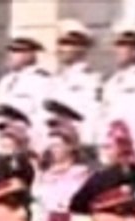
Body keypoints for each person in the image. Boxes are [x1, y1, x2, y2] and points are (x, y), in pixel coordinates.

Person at [51, 20, 102, 150]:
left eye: (67, 43)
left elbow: (93, 118)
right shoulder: (55, 80)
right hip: (56, 146)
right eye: (60, 43)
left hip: (78, 147)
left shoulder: (90, 80)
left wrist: (86, 148)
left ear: (81, 48)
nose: (60, 49)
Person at [101, 22, 135, 142]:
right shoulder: (111, 83)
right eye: (117, 45)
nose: (118, 50)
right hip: (116, 151)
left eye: (123, 45)